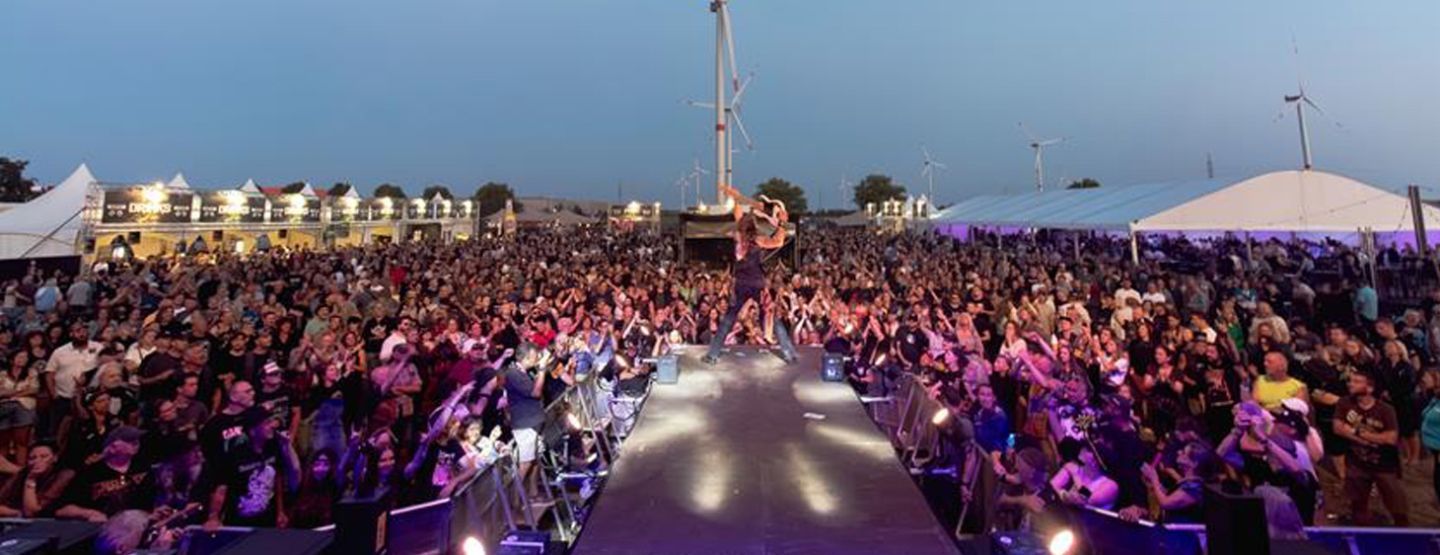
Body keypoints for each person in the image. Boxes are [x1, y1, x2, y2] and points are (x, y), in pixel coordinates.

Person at [703, 186, 797, 365]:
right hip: (758, 285)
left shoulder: (739, 238)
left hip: (740, 285)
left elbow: (738, 215)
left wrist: (737, 199)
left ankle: (713, 354)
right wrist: (783, 223)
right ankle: (788, 353)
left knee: (729, 318)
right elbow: (778, 240)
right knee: (771, 317)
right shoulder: (759, 240)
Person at [1333, 370, 1409, 526]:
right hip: (1356, 462)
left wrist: (1356, 432)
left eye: (1356, 381)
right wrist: (1365, 440)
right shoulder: (1345, 403)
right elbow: (1338, 428)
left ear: (1369, 388)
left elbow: (1391, 438)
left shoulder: (1386, 409)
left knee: (1397, 505)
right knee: (1358, 505)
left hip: (1385, 464)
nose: (1350, 384)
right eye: (1350, 380)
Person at [203, 408, 300, 529]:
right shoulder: (234, 454)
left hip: (268, 520)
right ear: (253, 429)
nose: (272, 426)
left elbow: (277, 479)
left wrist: (280, 511)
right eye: (266, 423)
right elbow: (221, 488)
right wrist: (213, 517)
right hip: (239, 522)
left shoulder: (273, 447)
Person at [0, 442, 72, 517]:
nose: (37, 461)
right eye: (32, 458)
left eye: (44, 457)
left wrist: (31, 479)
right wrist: (16, 513)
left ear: (55, 458)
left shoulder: (64, 475)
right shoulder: (22, 473)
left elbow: (31, 512)